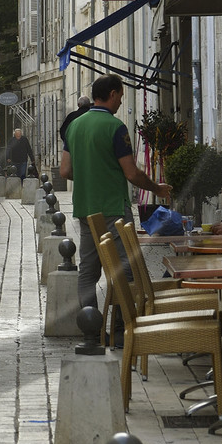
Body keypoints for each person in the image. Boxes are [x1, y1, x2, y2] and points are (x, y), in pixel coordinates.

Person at [61, 75, 171, 323]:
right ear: (112, 94)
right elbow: (131, 173)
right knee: (125, 269)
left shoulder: (74, 126)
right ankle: (122, 327)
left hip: (85, 208)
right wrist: (156, 188)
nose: (121, 102)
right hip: (113, 208)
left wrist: (90, 172)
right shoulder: (115, 127)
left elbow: (65, 171)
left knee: (88, 271)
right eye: (120, 96)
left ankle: (91, 325)